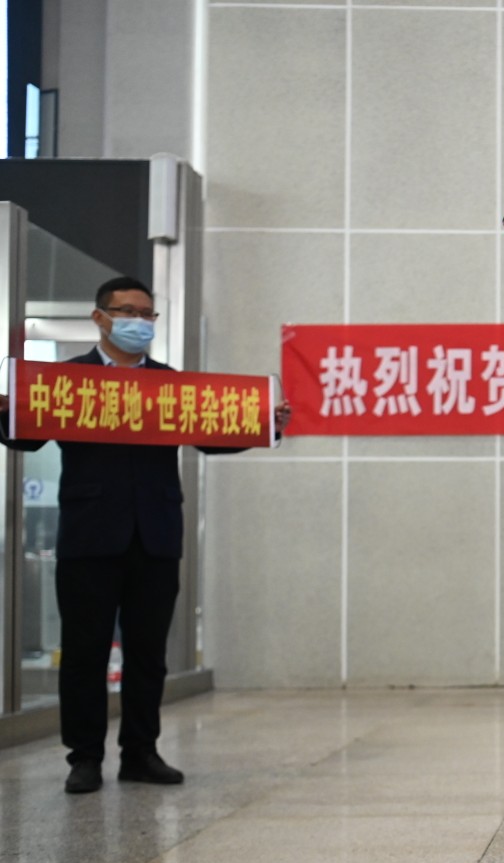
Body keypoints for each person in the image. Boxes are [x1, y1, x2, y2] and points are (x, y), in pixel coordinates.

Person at [0, 277, 291, 794]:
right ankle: (84, 758)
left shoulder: (169, 384)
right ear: (100, 317)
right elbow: (27, 434)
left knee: (148, 653)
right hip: (89, 535)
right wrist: (6, 413)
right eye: (127, 311)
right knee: (85, 653)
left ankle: (140, 752)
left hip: (155, 535)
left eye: (146, 314)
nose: (138, 322)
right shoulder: (68, 380)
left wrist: (265, 424)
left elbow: (211, 436)